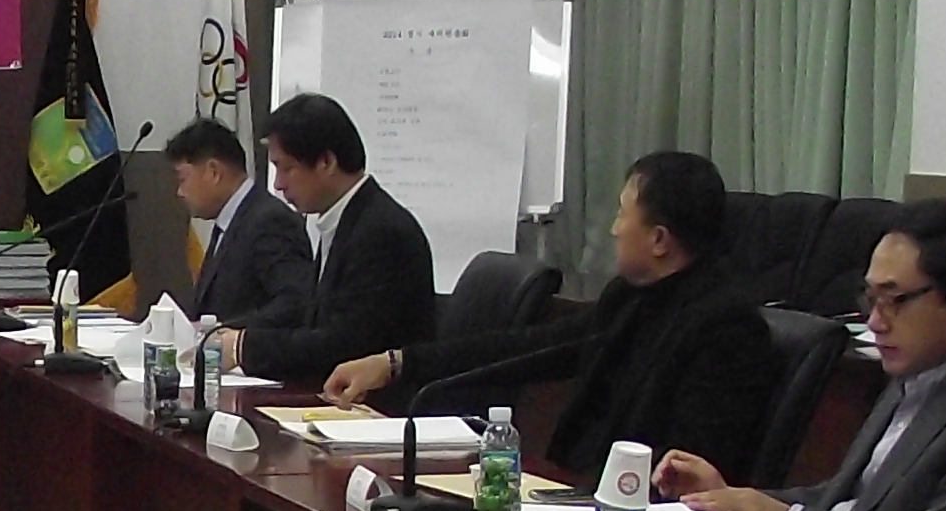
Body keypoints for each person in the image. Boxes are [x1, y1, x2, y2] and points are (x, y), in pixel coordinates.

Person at [320, 149, 781, 484]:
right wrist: (397, 362)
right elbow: (529, 348)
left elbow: (686, 469)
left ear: (659, 239)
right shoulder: (631, 298)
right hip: (571, 496)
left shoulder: (726, 329)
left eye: (623, 214)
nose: (614, 229)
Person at [655, 200, 946, 511]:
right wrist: (730, 500)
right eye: (871, 299)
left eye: (895, 300)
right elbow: (846, 499)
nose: (875, 322)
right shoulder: (918, 373)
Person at [233, 94, 433, 388]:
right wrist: (240, 335)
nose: (278, 184)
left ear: (326, 162)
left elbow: (344, 346)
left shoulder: (381, 232)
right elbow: (313, 318)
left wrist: (245, 348)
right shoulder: (348, 219)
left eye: (286, 168)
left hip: (379, 405)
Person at [168, 118, 314, 338]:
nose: (179, 192)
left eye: (183, 179)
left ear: (213, 172)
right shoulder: (229, 221)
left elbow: (294, 303)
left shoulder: (270, 221)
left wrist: (223, 332)